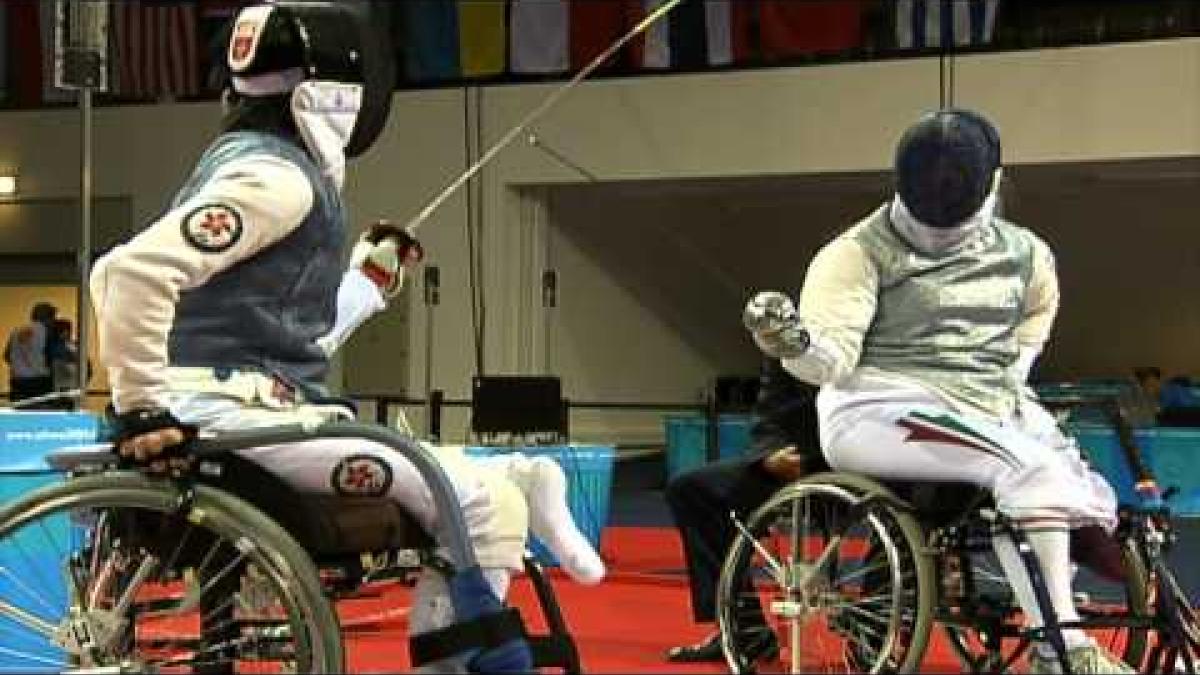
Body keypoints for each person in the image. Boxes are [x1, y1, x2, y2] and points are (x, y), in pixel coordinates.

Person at [88, 4, 600, 672]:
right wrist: (142, 408)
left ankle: (524, 484)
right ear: (330, 93)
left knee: (468, 480)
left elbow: (281, 332)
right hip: (222, 417)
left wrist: (365, 281)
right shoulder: (274, 179)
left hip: (255, 403)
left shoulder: (264, 167)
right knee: (474, 499)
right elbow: (127, 272)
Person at [743, 109, 1133, 673]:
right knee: (1029, 470)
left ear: (993, 182)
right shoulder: (855, 252)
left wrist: (1009, 377)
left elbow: (1033, 318)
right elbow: (832, 362)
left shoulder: (1027, 254)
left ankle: (1056, 569)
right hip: (877, 407)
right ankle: (1061, 652)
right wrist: (798, 345)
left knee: (1075, 486)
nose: (943, 206)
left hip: (983, 404)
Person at [664, 357, 823, 663]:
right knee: (690, 490)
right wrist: (768, 458)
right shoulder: (789, 330)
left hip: (863, 454)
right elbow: (773, 409)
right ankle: (741, 630)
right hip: (792, 460)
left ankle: (876, 634)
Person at [4, 302, 57, 405]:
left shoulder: (16, 331)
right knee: (42, 415)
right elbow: (52, 356)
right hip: (39, 381)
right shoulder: (47, 332)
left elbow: (6, 356)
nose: (53, 321)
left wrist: (21, 366)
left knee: (20, 415)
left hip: (18, 381)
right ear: (47, 318)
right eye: (52, 318)